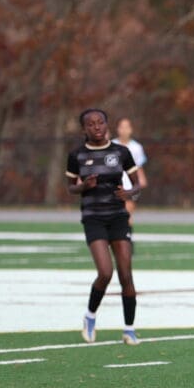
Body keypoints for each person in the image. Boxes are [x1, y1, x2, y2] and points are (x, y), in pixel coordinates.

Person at [65, 108, 144, 345]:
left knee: (126, 274)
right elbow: (71, 187)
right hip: (94, 218)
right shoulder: (77, 155)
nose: (96, 127)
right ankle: (90, 316)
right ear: (84, 129)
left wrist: (129, 193)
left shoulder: (121, 152)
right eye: (91, 124)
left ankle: (129, 329)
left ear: (107, 125)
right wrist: (83, 186)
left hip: (118, 217)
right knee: (105, 272)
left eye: (100, 122)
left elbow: (137, 185)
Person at [111, 117, 148, 225]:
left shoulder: (136, 147)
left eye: (126, 127)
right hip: (114, 183)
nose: (124, 130)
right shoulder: (111, 145)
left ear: (131, 129)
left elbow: (138, 166)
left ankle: (127, 233)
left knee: (128, 212)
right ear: (117, 129)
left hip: (130, 184)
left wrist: (141, 179)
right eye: (122, 127)